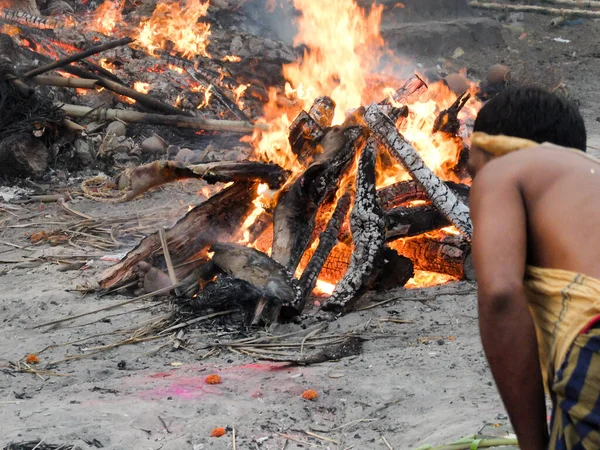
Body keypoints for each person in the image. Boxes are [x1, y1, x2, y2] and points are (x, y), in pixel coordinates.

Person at [467, 86, 600, 450]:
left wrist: (533, 444)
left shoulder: (501, 171)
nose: (472, 181)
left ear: (491, 147)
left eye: (471, 170)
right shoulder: (587, 177)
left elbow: (500, 293)